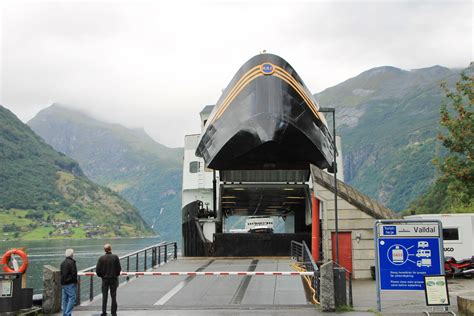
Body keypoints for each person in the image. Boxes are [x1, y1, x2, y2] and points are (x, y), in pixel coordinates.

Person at [96, 244, 121, 316]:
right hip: (113, 279)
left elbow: (98, 270)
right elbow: (118, 269)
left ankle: (104, 312)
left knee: (104, 296)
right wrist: (116, 275)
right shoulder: (115, 257)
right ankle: (113, 312)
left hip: (105, 279)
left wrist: (102, 276)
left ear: (104, 250)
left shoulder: (101, 258)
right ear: (111, 249)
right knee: (113, 296)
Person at [60, 248, 77, 316]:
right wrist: (75, 281)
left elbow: (61, 273)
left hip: (63, 283)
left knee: (65, 299)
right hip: (70, 283)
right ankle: (68, 313)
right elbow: (74, 274)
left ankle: (65, 313)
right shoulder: (72, 263)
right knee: (72, 298)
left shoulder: (62, 263)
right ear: (72, 255)